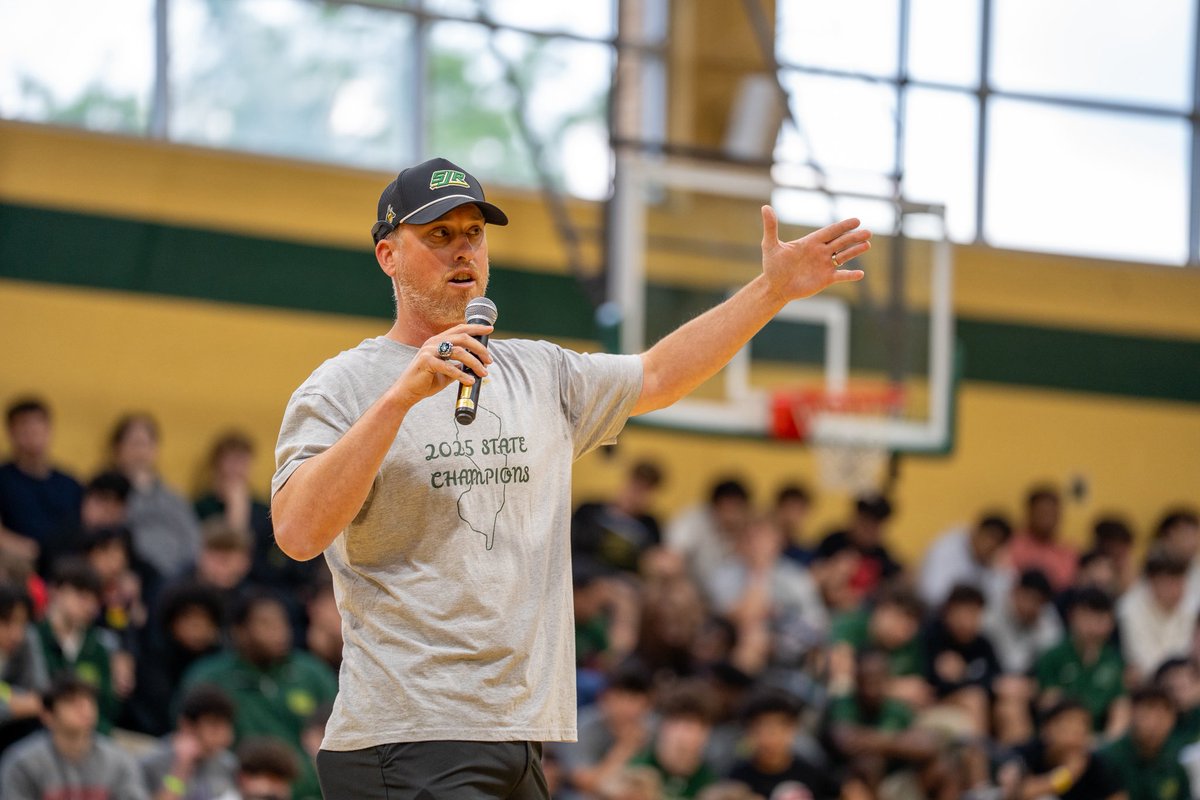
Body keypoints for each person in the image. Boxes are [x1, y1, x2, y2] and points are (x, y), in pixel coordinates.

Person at [268, 156, 870, 799]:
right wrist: (400, 398)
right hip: (406, 734)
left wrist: (771, 291)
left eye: (473, 232)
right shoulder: (342, 385)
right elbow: (298, 532)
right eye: (438, 235)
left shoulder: (539, 373)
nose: (462, 249)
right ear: (388, 256)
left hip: (519, 735)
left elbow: (660, 374)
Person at [180, 590, 336, 800]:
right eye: (266, 624)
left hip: (311, 791)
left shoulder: (312, 673)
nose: (279, 632)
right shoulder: (209, 676)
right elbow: (190, 739)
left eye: (282, 623)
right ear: (239, 631)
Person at [0, 674, 149, 799]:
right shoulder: (22, 763)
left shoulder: (118, 760)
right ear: (48, 716)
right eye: (71, 702)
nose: (84, 708)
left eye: (88, 700)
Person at [110, 413, 202, 579]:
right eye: (134, 444)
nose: (140, 452)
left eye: (146, 444)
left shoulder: (174, 499)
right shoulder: (107, 496)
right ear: (118, 449)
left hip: (176, 576)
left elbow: (193, 543)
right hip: (129, 575)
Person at [0, 397, 83, 574]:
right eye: (24, 426)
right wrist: (29, 550)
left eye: (37, 425)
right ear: (10, 432)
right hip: (20, 564)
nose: (32, 432)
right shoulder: (4, 478)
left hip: (66, 564)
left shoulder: (70, 483)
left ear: (49, 429)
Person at [1033, 586, 1129, 736]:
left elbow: (1119, 705)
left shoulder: (1114, 659)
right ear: (1072, 617)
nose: (1093, 626)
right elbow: (1048, 704)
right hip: (1062, 733)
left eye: (1100, 618)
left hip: (1099, 738)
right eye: (1087, 617)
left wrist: (1109, 741)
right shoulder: (1053, 656)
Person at [997, 699, 1125, 800]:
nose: (1075, 733)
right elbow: (1017, 793)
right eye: (1067, 725)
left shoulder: (1095, 763)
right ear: (1047, 729)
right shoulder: (1026, 753)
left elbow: (1117, 796)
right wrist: (1067, 776)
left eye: (1082, 726)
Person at [726, 689, 836, 799]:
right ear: (748, 732)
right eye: (760, 730)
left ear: (793, 729)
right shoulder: (736, 780)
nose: (769, 740)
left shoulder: (813, 774)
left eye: (777, 730)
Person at [140, 683, 238, 800]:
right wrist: (180, 769)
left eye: (226, 727)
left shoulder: (228, 764)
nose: (224, 736)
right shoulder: (153, 763)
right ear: (187, 725)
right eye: (214, 726)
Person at [571, 460, 665, 574]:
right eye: (635, 485)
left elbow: (653, 560)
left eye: (645, 489)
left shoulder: (650, 525)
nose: (637, 494)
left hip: (627, 580)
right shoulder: (588, 510)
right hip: (586, 574)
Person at [1100, 685, 1190, 800]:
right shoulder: (1107, 759)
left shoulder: (1174, 762)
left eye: (1164, 713)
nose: (1156, 721)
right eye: (1149, 711)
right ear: (1132, 713)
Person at [667, 479, 754, 596]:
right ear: (714, 507)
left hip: (729, 597)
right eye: (727, 508)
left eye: (736, 509)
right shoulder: (694, 520)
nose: (731, 516)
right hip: (692, 589)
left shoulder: (750, 529)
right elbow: (673, 557)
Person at [1118, 548, 1195, 680]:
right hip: (1149, 683)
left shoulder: (1192, 603)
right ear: (1151, 582)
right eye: (1169, 583)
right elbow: (1141, 660)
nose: (1177, 589)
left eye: (1180, 582)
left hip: (1187, 680)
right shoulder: (1129, 607)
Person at [815, 494, 904, 602]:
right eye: (865, 520)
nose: (868, 528)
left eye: (875, 523)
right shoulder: (833, 541)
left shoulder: (882, 556)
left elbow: (898, 580)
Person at [918, 512, 1012, 608]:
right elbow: (932, 593)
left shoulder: (998, 562)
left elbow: (1001, 602)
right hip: (936, 612)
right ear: (976, 532)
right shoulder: (947, 546)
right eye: (988, 538)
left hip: (974, 617)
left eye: (996, 544)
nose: (989, 546)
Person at [0, 583, 48, 753]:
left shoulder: (28, 638)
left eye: (22, 623)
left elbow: (42, 695)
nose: (16, 633)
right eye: (6, 622)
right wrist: (15, 701)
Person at [1009, 484, 1077, 592]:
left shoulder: (1068, 551)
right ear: (1030, 513)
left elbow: (1066, 583)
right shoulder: (1013, 543)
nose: (1047, 519)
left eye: (1052, 513)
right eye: (1042, 512)